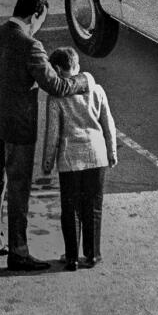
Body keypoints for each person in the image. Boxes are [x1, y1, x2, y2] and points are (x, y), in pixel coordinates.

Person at [0, 0, 89, 271]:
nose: (38, 27)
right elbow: (56, 86)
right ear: (34, 15)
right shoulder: (31, 46)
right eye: (40, 21)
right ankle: (19, 251)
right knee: (19, 186)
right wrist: (82, 81)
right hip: (19, 125)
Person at [41, 47, 117, 271]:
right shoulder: (97, 90)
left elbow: (52, 134)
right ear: (76, 66)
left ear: (56, 69)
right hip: (97, 155)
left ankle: (72, 257)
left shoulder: (56, 98)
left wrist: (47, 162)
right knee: (93, 207)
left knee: (71, 209)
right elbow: (108, 124)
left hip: (70, 159)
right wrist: (111, 152)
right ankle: (93, 255)